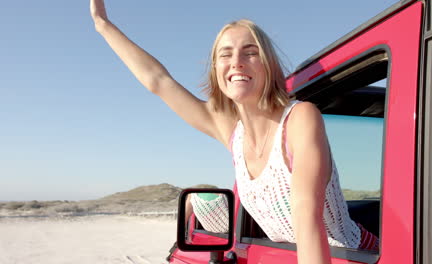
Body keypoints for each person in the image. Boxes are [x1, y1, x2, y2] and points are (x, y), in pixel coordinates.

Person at [90, 1, 379, 263]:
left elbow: (306, 216)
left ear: (268, 65)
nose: (237, 61)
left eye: (250, 52)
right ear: (216, 70)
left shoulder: (300, 118)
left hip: (355, 254)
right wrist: (103, 25)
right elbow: (159, 81)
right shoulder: (230, 132)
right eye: (225, 54)